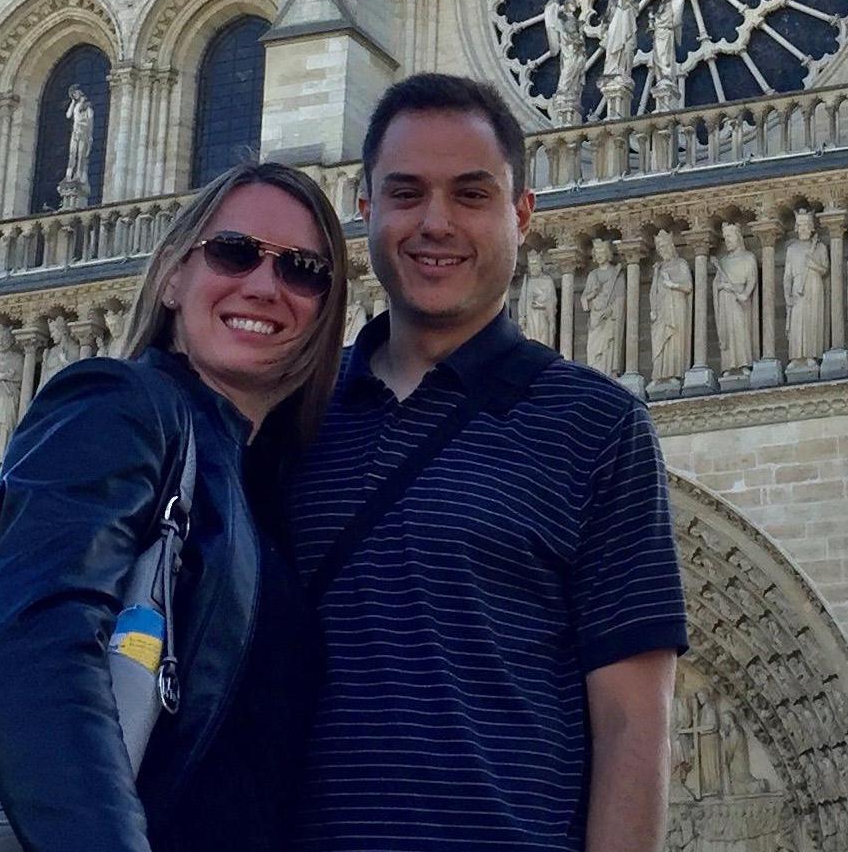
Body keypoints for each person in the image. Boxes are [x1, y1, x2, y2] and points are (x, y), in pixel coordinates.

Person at [290, 72, 686, 852]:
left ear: (522, 215)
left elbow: (634, 721)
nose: (435, 223)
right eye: (405, 194)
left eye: (471, 195)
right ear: (365, 209)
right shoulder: (286, 415)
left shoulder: (597, 426)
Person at [0, 161, 347, 852]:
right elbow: (40, 645)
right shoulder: (119, 405)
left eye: (303, 270)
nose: (265, 286)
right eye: (235, 252)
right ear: (174, 276)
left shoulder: (256, 480)